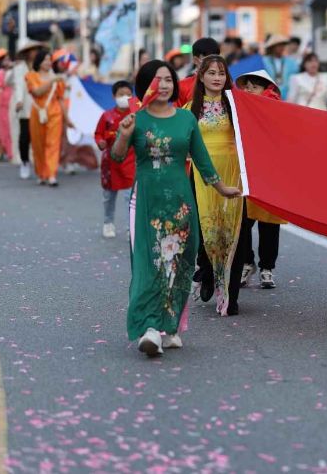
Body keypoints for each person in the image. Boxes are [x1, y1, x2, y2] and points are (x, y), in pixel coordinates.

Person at [112, 60, 241, 357]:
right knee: (149, 264)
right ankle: (149, 328)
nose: (164, 85)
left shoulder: (186, 120)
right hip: (145, 203)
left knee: (178, 265)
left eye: (168, 79)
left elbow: (202, 160)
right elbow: (118, 157)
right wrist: (123, 133)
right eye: (157, 80)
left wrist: (222, 188)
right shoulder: (137, 119)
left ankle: (169, 328)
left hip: (181, 205)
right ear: (146, 86)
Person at [184, 56, 246, 316]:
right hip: (202, 176)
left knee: (237, 234)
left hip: (233, 175)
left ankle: (231, 296)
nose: (217, 78)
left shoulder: (237, 106)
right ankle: (209, 273)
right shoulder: (190, 109)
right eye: (211, 73)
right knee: (208, 230)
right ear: (201, 76)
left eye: (221, 73)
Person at [233, 70, 287, 290]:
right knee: (242, 222)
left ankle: (267, 268)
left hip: (271, 176)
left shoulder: (280, 112)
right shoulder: (238, 110)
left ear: (267, 89)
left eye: (253, 86)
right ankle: (247, 263)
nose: (248, 90)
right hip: (245, 175)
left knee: (269, 225)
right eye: (245, 86)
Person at [94, 81, 136, 239]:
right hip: (110, 163)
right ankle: (108, 222)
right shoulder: (107, 116)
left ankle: (129, 227)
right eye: (121, 94)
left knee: (130, 197)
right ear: (113, 96)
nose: (124, 97)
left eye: (128, 94)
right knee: (108, 196)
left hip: (130, 161)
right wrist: (100, 142)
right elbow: (98, 133)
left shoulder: (135, 116)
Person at [25, 49, 69, 186]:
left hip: (55, 113)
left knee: (53, 144)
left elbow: (61, 99)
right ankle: (41, 173)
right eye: (45, 60)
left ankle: (51, 175)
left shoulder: (57, 78)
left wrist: (67, 118)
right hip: (38, 112)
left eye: (50, 60)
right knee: (38, 144)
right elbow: (37, 92)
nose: (48, 62)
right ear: (38, 61)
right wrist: (51, 81)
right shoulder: (31, 76)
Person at [11, 42, 41, 179]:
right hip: (25, 106)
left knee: (40, 137)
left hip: (41, 106)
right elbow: (19, 86)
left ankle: (42, 164)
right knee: (24, 137)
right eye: (31, 50)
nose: (34, 53)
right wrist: (19, 101)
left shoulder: (42, 66)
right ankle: (24, 162)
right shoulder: (19, 69)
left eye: (36, 50)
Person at [176, 38, 218, 108]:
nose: (212, 62)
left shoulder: (227, 85)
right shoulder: (182, 87)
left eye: (216, 57)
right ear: (195, 60)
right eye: (206, 58)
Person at [262, 34, 300, 99]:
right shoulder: (264, 61)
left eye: (283, 45)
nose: (282, 47)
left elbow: (295, 80)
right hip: (268, 96)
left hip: (287, 97)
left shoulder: (291, 62)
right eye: (279, 45)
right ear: (272, 47)